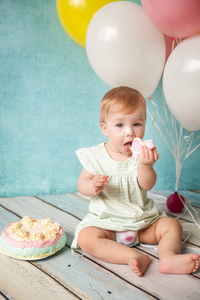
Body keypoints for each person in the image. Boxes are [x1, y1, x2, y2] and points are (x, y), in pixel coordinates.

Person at [71, 86, 199, 277]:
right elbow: (82, 183)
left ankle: (168, 257)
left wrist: (146, 165)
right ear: (105, 128)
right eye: (120, 125)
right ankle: (132, 255)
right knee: (86, 238)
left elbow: (147, 184)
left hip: (143, 223)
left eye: (137, 124)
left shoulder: (143, 156)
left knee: (172, 226)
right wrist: (92, 185)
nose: (130, 132)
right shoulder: (96, 156)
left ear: (145, 124)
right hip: (107, 225)